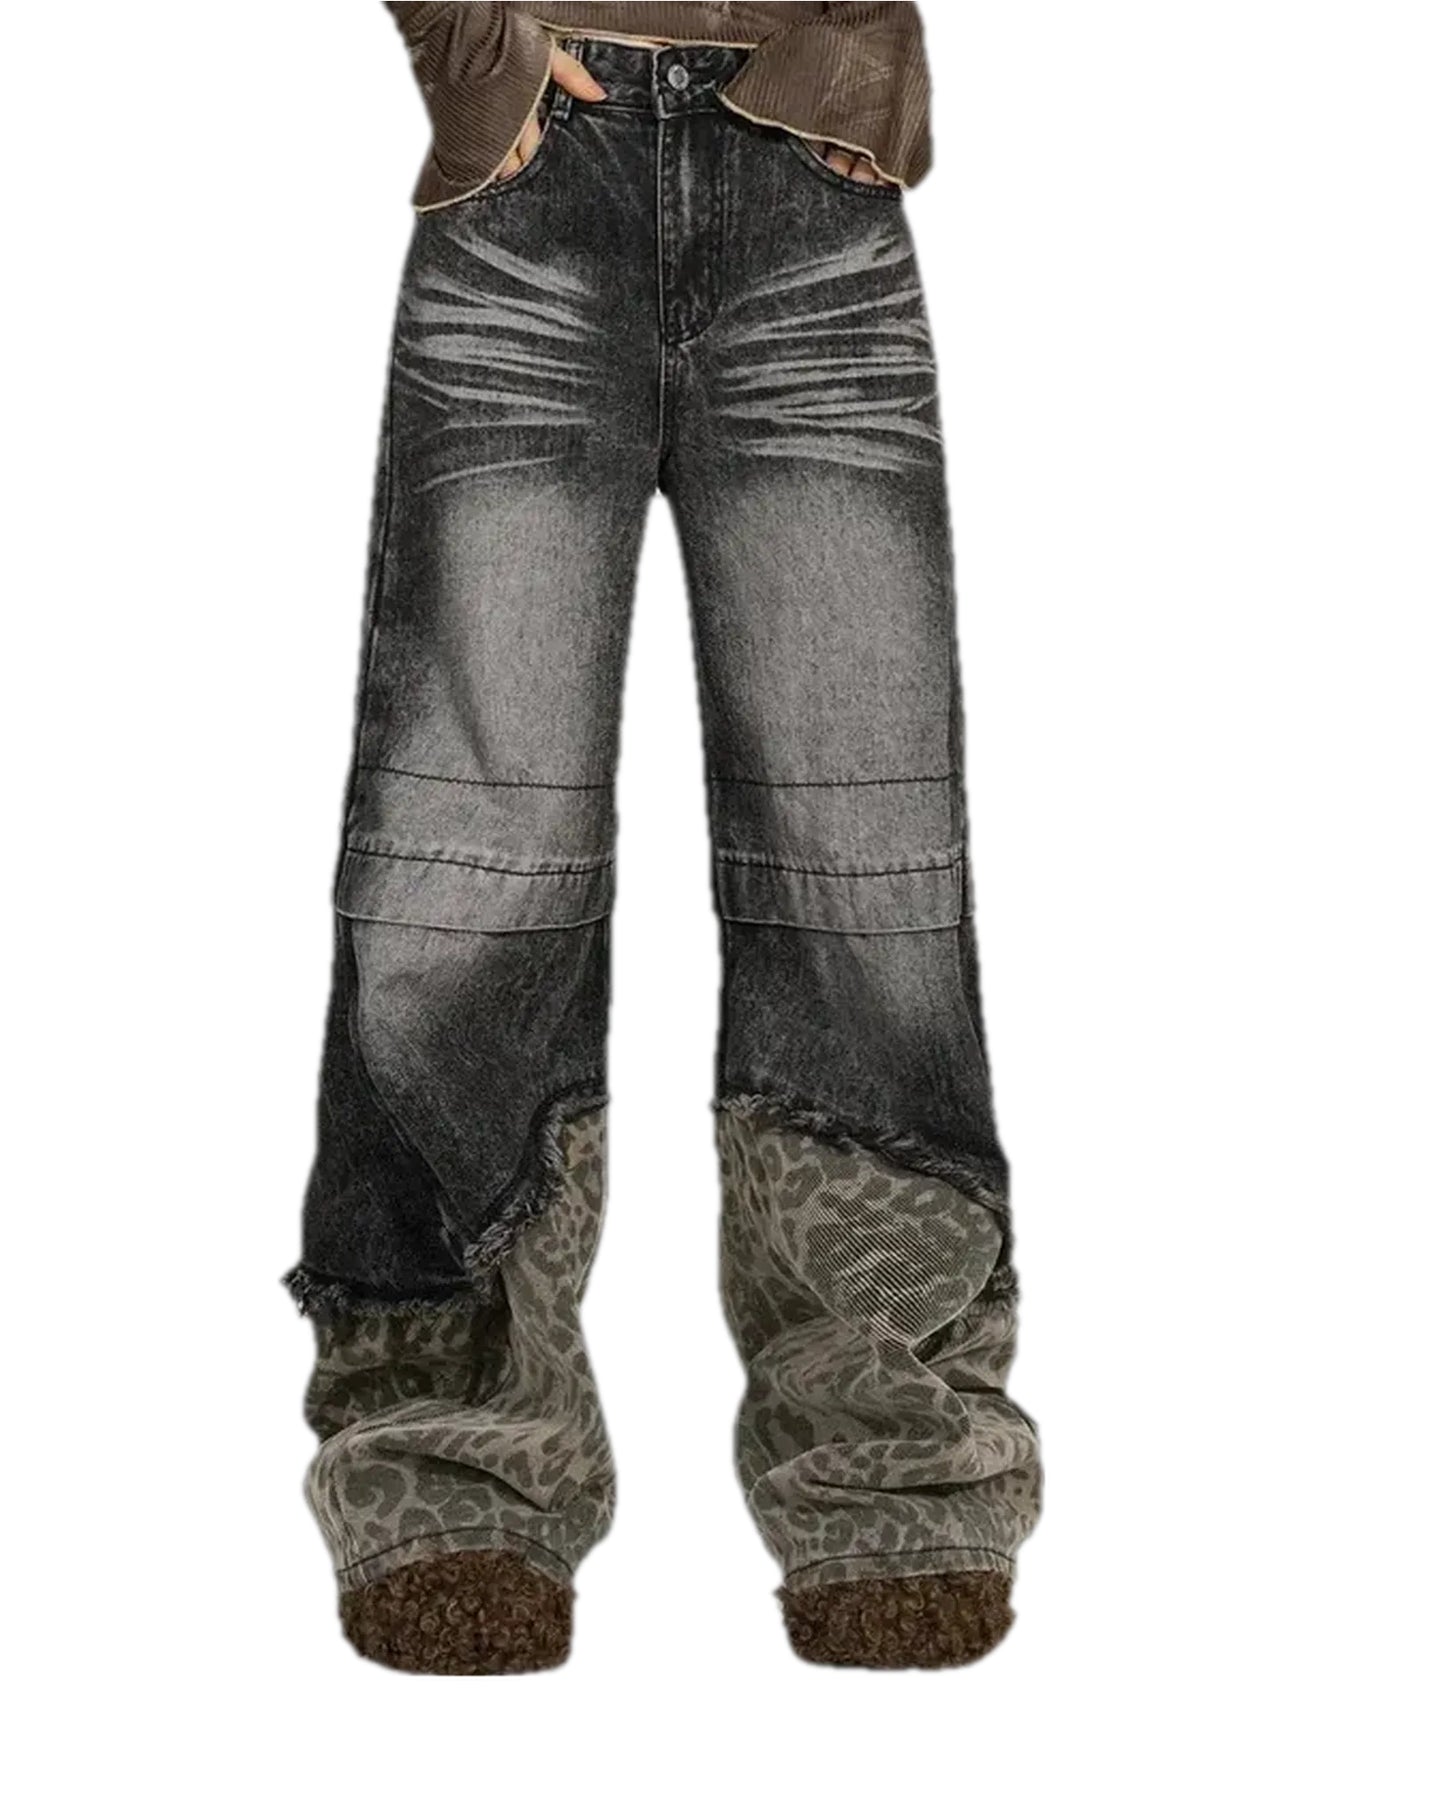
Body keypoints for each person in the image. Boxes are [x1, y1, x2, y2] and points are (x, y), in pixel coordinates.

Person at [285, 3, 1042, 1675]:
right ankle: (448, 1467)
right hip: (530, 171)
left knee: (861, 854)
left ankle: (892, 1468)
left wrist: (860, 60)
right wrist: (468, 45)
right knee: (469, 846)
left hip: (808, 166)